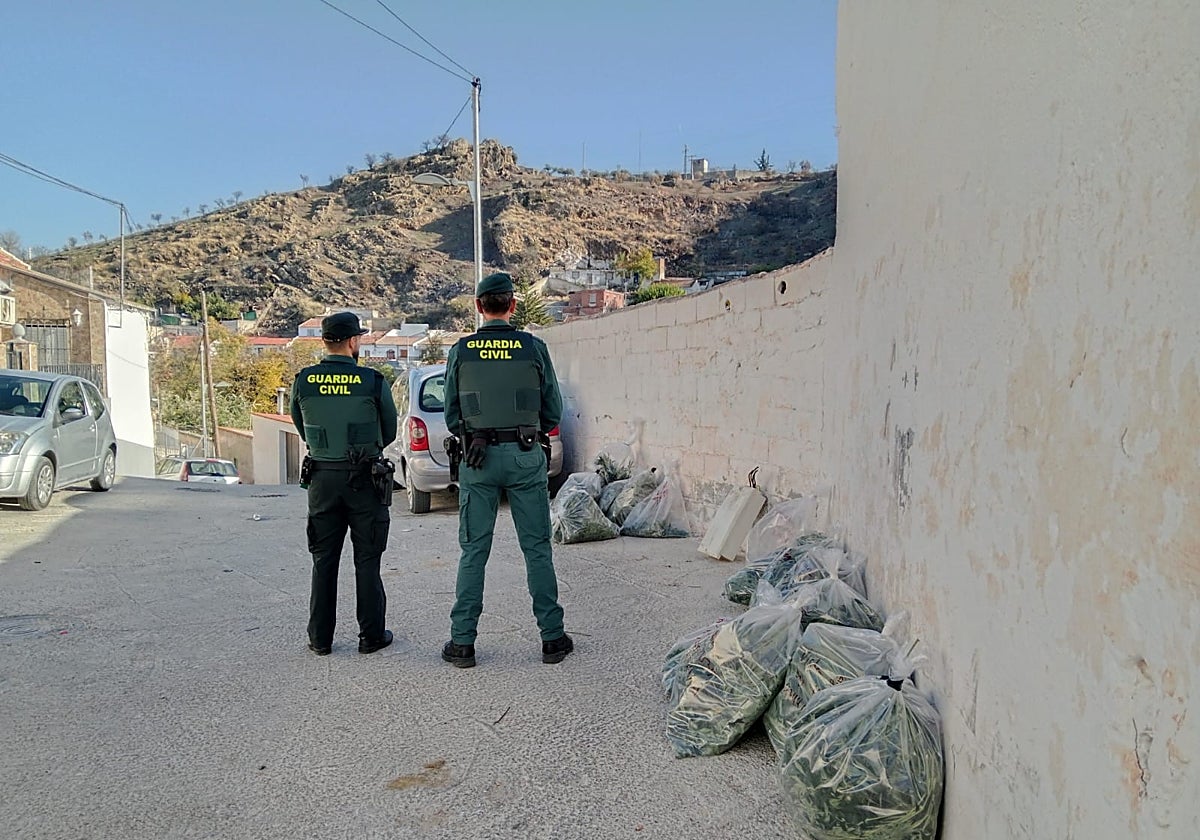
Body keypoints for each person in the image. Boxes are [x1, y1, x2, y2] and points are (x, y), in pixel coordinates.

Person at [441, 272, 572, 668]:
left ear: (480, 307)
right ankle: (552, 639)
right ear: (513, 305)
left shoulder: (462, 351)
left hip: (477, 461)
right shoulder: (533, 348)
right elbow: (553, 410)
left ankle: (462, 643)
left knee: (473, 552)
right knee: (537, 550)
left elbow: (451, 414)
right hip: (525, 455)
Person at [290, 311, 398, 656]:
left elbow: (300, 426)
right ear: (353, 341)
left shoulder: (304, 381)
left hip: (322, 477)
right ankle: (371, 636)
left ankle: (320, 639)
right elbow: (389, 431)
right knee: (367, 559)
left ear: (324, 341)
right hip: (365, 479)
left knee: (323, 560)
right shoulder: (373, 381)